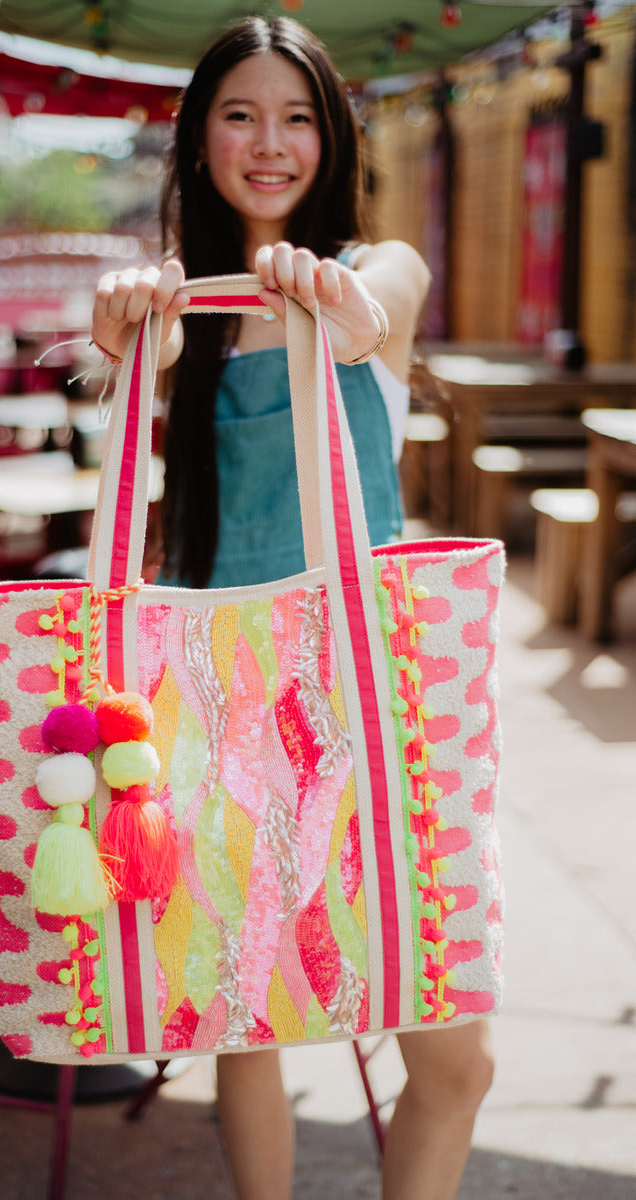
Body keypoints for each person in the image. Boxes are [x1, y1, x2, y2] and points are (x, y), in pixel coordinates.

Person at [92, 16, 494, 1200]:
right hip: (217, 700)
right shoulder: (173, 314)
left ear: (332, 132)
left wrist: (332, 301)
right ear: (196, 137)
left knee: (455, 1058)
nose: (269, 143)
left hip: (374, 696)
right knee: (245, 1017)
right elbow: (103, 371)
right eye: (238, 114)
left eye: (297, 115)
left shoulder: (383, 268)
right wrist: (117, 330)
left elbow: (375, 311)